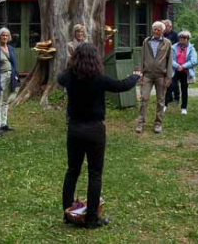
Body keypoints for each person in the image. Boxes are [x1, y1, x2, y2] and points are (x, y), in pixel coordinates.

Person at [58, 43, 140, 229]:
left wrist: (71, 65)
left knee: (72, 171)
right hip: (95, 130)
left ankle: (67, 213)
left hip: (75, 129)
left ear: (75, 58)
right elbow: (121, 86)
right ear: (95, 59)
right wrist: (135, 76)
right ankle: (92, 219)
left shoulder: (68, 77)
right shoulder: (99, 79)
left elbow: (59, 77)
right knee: (95, 173)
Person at [136, 21, 173, 134]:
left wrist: (168, 77)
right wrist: (140, 74)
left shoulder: (167, 43)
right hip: (147, 75)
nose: (156, 31)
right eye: (155, 29)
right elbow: (142, 58)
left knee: (160, 101)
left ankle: (158, 124)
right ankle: (140, 123)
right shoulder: (146, 41)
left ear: (163, 31)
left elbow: (170, 60)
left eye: (159, 30)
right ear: (152, 30)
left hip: (160, 76)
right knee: (144, 99)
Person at [0, 28, 19, 137]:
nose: (5, 37)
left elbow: (14, 63)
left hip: (10, 76)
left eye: (7, 35)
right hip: (0, 77)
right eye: (3, 35)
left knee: (6, 101)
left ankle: (4, 124)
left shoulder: (11, 48)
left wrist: (15, 75)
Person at [166, 31, 198, 115]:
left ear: (188, 39)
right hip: (175, 70)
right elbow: (170, 59)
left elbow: (194, 61)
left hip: (185, 71)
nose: (182, 39)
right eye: (181, 37)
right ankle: (164, 105)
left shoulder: (192, 48)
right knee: (170, 86)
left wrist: (183, 66)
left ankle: (184, 108)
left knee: (184, 89)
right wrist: (177, 66)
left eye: (185, 38)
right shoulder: (173, 47)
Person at [163, 20, 180, 103]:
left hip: (174, 59)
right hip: (164, 59)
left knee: (174, 79)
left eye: (165, 26)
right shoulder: (163, 34)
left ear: (170, 26)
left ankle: (176, 96)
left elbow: (178, 47)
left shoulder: (175, 35)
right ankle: (168, 97)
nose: (164, 27)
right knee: (167, 78)